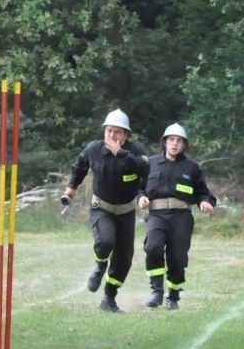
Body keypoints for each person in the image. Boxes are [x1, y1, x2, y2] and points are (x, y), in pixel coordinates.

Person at [60, 109, 149, 313]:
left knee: (124, 259)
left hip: (126, 212)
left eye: (117, 132)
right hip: (102, 208)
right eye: (109, 131)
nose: (112, 135)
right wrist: (71, 190)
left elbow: (145, 170)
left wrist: (121, 154)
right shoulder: (93, 149)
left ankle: (109, 298)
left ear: (126, 135)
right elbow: (79, 167)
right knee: (106, 241)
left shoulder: (136, 150)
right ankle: (100, 265)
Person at [137, 124, 216, 309]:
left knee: (178, 257)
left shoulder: (192, 167)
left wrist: (205, 202)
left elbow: (204, 193)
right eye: (171, 139)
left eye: (179, 140)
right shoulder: (150, 163)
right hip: (156, 214)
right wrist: (141, 197)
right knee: (153, 247)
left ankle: (173, 297)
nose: (174, 144)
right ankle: (156, 291)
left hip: (181, 216)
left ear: (183, 145)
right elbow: (138, 187)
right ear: (165, 142)